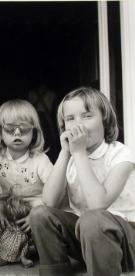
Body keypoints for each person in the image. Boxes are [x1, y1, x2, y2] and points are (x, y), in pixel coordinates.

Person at [30, 87, 135, 276]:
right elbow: (49, 202)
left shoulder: (121, 154)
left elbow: (98, 205)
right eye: (70, 119)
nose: (78, 125)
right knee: (40, 214)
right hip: (88, 237)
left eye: (86, 116)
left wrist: (78, 153)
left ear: (105, 120)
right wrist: (65, 153)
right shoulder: (71, 159)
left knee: (92, 219)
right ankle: (56, 272)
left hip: (127, 240)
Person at [0, 99, 53, 257]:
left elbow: (55, 192)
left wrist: (35, 216)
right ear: (0, 131)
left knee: (45, 214)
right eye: (10, 129)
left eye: (24, 129)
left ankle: (35, 245)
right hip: (7, 205)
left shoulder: (40, 159)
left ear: (34, 132)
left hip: (33, 207)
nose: (17, 133)